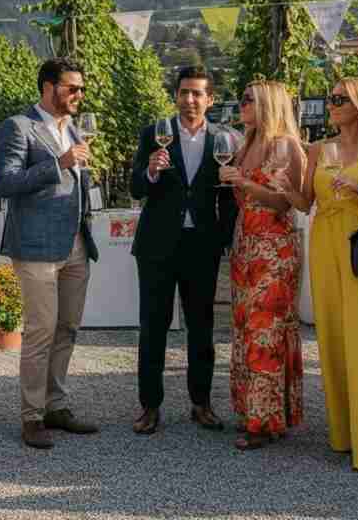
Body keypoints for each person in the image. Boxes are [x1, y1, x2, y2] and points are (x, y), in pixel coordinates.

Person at [271, 77, 358, 471]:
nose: (332, 104)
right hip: (324, 241)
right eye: (331, 98)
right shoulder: (317, 148)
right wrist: (284, 187)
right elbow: (305, 201)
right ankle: (343, 435)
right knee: (332, 338)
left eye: (340, 99)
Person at [0, 57, 101, 450]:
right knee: (40, 331)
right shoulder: (18, 126)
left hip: (75, 244)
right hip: (37, 246)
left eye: (81, 89)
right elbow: (4, 183)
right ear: (47, 87)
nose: (78, 95)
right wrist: (61, 163)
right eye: (71, 88)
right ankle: (32, 416)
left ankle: (56, 405)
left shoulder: (71, 128)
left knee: (67, 329)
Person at [128, 66, 238, 437]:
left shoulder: (224, 140)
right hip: (157, 245)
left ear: (210, 100)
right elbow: (135, 187)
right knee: (153, 327)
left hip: (201, 246)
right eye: (183, 93)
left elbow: (230, 199)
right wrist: (152, 173)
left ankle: (201, 403)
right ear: (175, 96)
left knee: (202, 327)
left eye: (197, 94)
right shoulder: (154, 134)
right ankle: (150, 406)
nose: (189, 100)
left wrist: (223, 239)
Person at [217, 80, 306, 450]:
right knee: (246, 329)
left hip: (275, 248)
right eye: (241, 99)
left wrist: (244, 185)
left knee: (265, 332)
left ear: (269, 104)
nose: (242, 105)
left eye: (249, 100)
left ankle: (263, 422)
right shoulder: (245, 143)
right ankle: (254, 413)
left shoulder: (286, 145)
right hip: (247, 246)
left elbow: (288, 203)